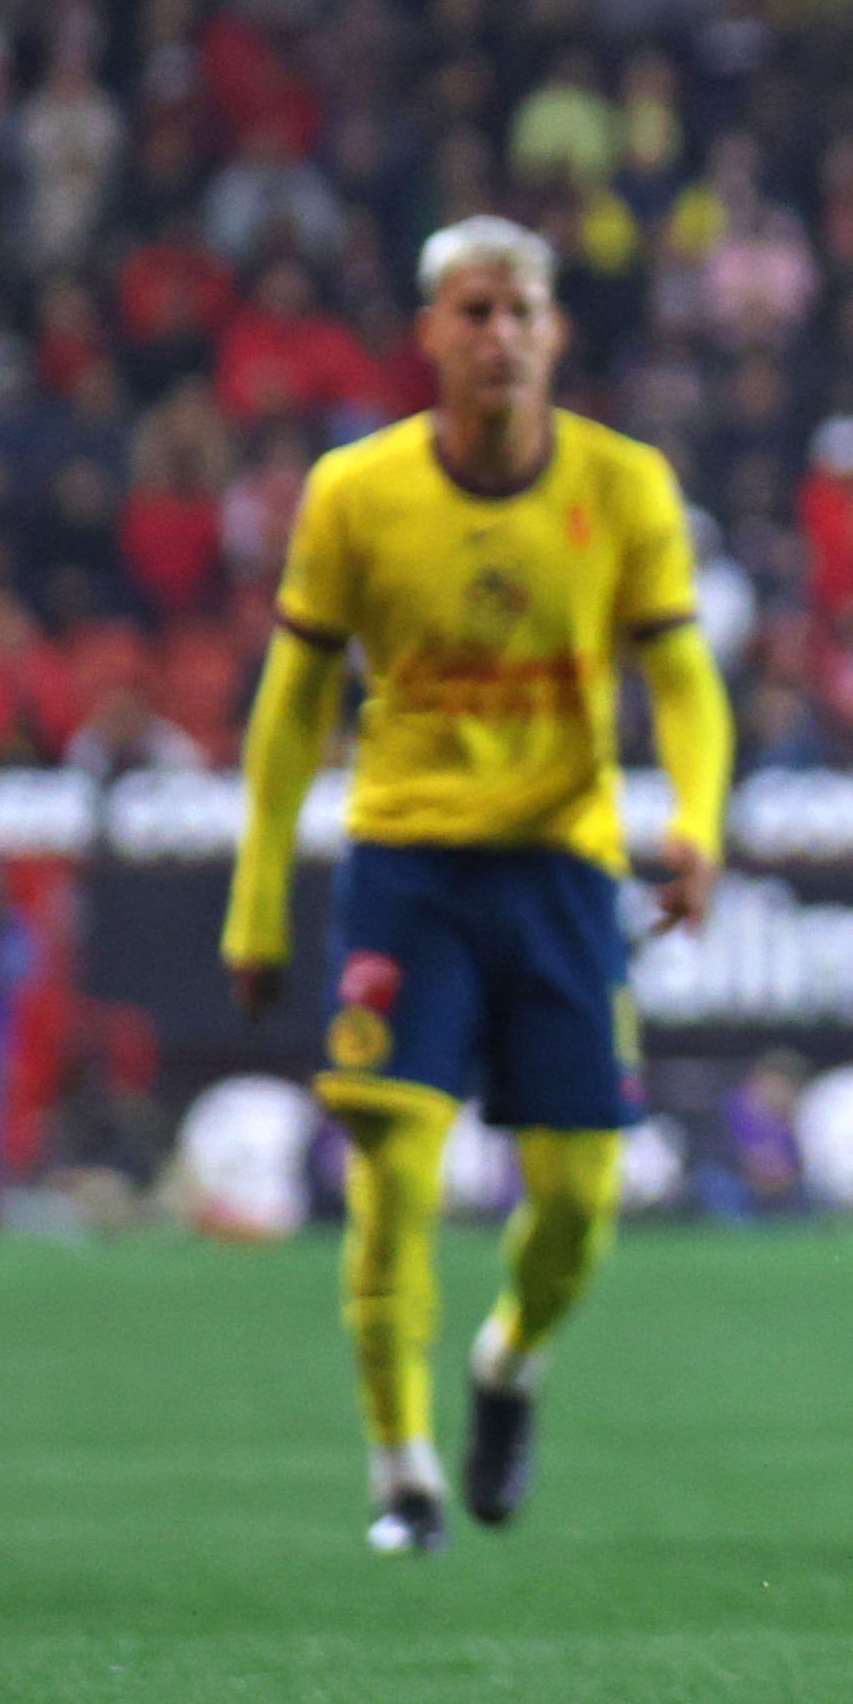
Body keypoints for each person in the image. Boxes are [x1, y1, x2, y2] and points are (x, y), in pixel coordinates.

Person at [220, 215, 735, 1554]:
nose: (497, 334)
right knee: (391, 1164)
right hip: (408, 869)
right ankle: (402, 1473)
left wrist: (696, 821)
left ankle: (507, 1362)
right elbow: (289, 707)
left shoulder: (623, 487)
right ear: (430, 334)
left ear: (555, 332)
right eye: (470, 311)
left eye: (519, 311)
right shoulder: (354, 492)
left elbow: (681, 677)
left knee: (574, 1205)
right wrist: (258, 898)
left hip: (561, 871)